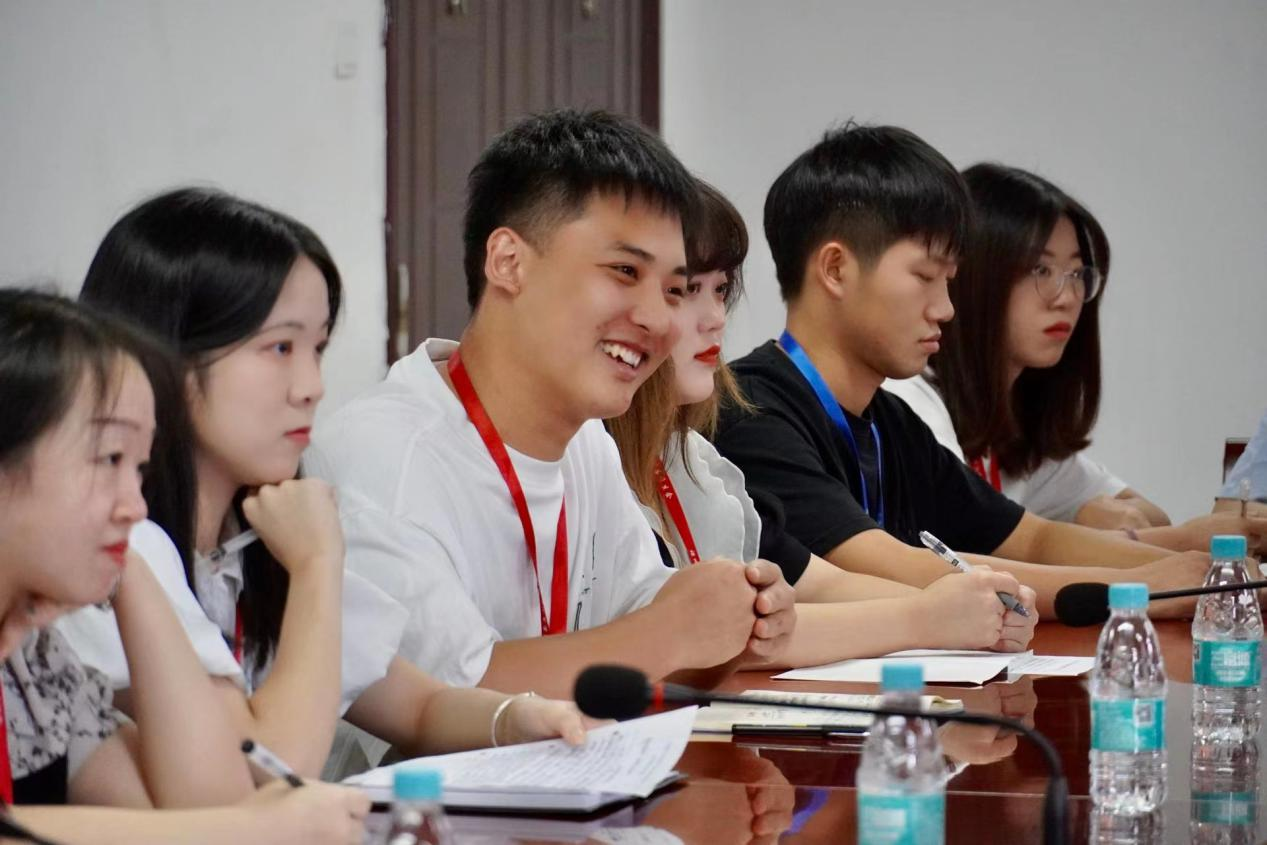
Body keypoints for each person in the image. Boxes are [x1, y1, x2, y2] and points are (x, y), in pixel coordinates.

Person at [59, 188, 588, 780]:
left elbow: (419, 707)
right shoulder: (109, 555)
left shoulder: (249, 540)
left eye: (317, 348)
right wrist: (315, 564)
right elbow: (264, 769)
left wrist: (515, 719)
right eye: (280, 348)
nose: (311, 386)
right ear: (169, 353)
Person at [307, 109, 796, 698]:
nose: (658, 318)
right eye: (624, 271)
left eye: (672, 289)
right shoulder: (388, 461)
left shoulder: (585, 441)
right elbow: (443, 704)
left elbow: (642, 622)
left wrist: (737, 621)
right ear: (508, 262)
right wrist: (672, 632)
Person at [713, 123, 1210, 619]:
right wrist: (1145, 585)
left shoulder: (892, 423)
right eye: (925, 276)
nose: (946, 308)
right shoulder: (749, 410)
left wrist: (1201, 569)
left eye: (949, 280)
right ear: (836, 269)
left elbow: (1032, 539)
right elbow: (894, 568)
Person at [606, 179, 1037, 664]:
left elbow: (818, 583)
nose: (715, 318)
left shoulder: (691, 459)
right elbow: (716, 640)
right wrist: (928, 617)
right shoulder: (745, 413)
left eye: (721, 290)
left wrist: (963, 609)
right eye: (683, 291)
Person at [0, 288, 367, 844]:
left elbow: (201, 804)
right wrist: (253, 827)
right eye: (109, 458)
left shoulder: (32, 656)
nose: (135, 505)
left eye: (139, 468)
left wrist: (129, 570)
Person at [885, 163, 1266, 552]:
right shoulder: (910, 403)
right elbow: (969, 558)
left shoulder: (1015, 426)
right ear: (971, 276)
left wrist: (1101, 514)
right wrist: (1173, 539)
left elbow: (1149, 513)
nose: (1067, 297)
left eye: (1077, 273)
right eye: (1041, 269)